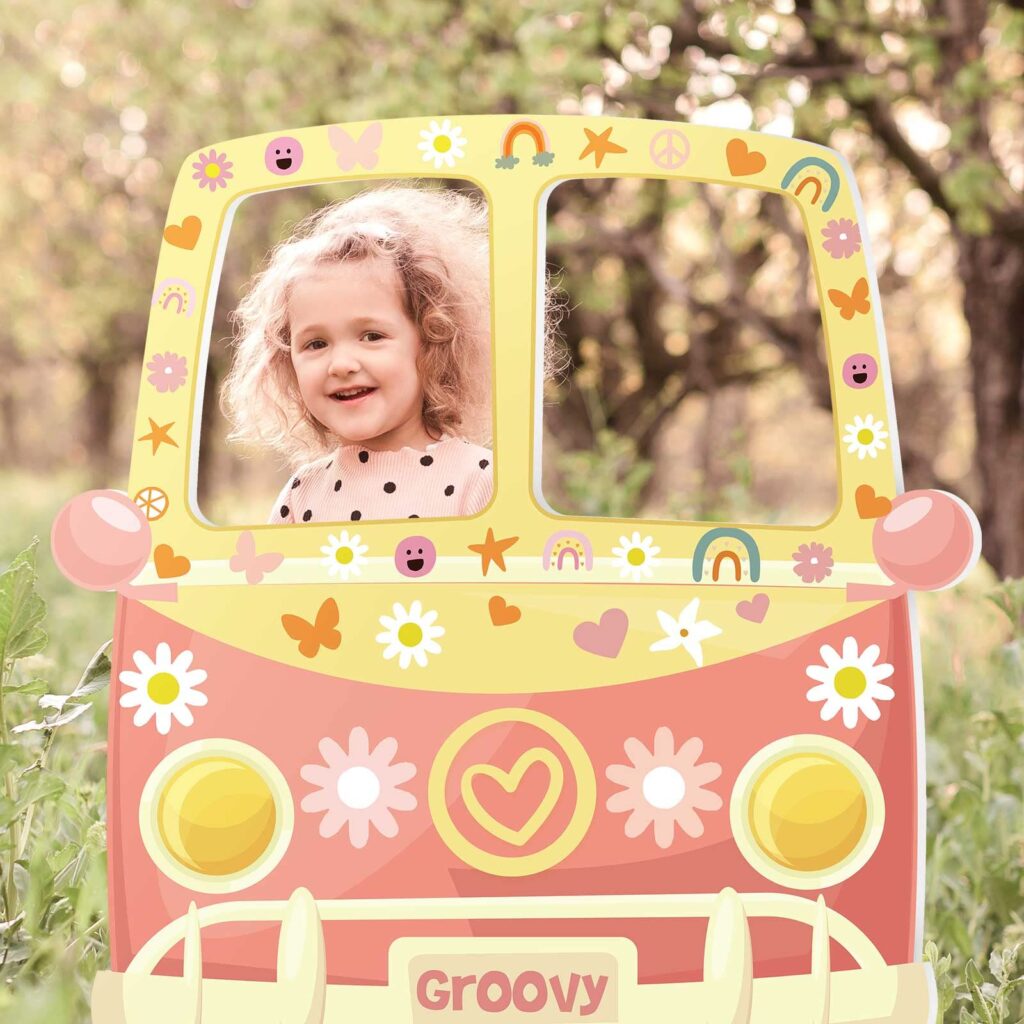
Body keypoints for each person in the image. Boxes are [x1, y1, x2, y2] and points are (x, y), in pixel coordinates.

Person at [221, 186, 493, 523]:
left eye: (372, 336)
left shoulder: (480, 483)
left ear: (431, 342)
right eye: (316, 344)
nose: (342, 365)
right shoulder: (301, 495)